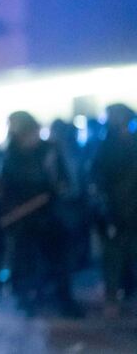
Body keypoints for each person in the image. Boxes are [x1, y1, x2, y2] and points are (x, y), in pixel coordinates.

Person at [0, 111, 82, 318]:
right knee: (25, 262)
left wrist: (56, 191)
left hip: (51, 216)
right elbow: (5, 185)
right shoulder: (11, 154)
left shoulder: (50, 151)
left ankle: (63, 300)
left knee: (57, 262)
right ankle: (26, 300)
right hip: (23, 219)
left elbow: (67, 182)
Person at [91, 103, 137, 317]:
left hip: (126, 208)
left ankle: (120, 293)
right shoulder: (107, 146)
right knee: (114, 256)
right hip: (115, 210)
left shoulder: (119, 144)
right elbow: (98, 178)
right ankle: (113, 296)